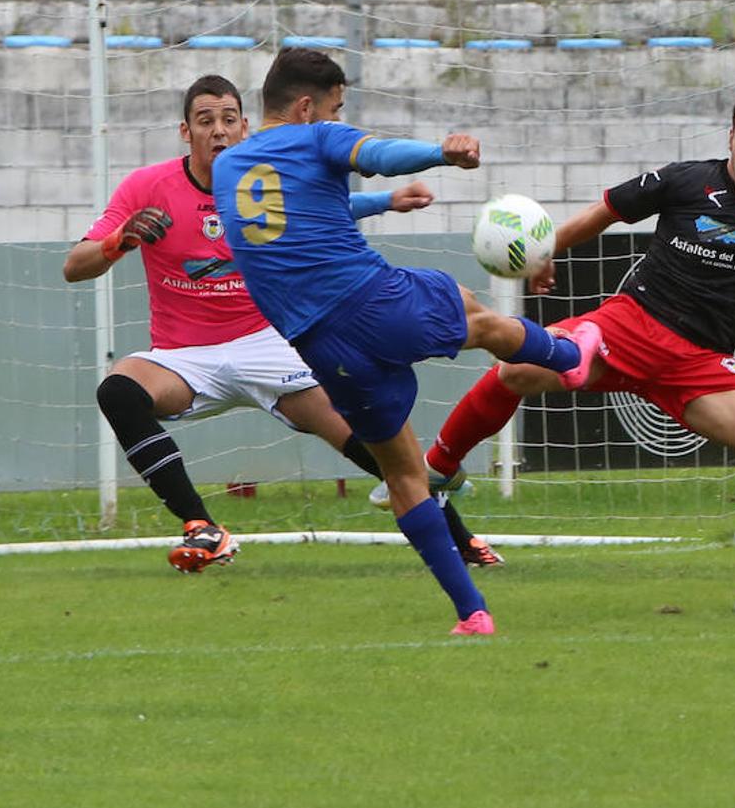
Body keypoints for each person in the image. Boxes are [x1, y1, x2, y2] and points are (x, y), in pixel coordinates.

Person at [421, 89, 735, 616]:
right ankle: (438, 467)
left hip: (698, 364)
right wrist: (544, 252)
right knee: (516, 370)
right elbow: (604, 212)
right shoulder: (682, 179)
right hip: (631, 325)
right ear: (730, 137)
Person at [212, 48, 603, 636]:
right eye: (336, 106)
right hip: (370, 301)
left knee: (402, 476)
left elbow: (314, 204)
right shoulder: (317, 135)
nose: (337, 115)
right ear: (305, 106)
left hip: (319, 345)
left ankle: (472, 613)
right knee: (479, 317)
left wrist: (383, 204)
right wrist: (440, 152)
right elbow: (375, 154)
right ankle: (574, 357)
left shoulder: (229, 168)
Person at [63, 74, 504, 576]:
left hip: (268, 342)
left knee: (367, 435)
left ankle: (461, 539)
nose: (219, 130)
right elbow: (75, 266)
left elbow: (324, 206)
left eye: (229, 119)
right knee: (117, 391)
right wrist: (119, 239)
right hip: (184, 357)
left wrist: (386, 201)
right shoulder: (147, 187)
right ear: (185, 132)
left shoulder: (255, 175)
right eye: (205, 121)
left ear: (245, 125)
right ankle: (201, 527)